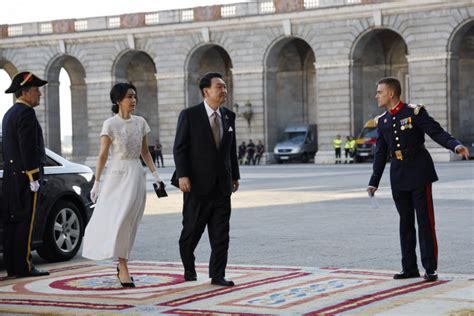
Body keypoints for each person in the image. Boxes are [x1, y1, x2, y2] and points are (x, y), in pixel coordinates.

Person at [367, 77, 470, 282]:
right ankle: (409, 267)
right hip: (398, 174)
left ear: (391, 94)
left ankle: (430, 268)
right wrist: (374, 181)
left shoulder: (414, 112)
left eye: (379, 92)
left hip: (419, 171)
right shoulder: (383, 121)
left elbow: (436, 131)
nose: (376, 95)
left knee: (425, 222)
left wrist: (455, 145)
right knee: (405, 223)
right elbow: (381, 153)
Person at [82, 83, 163, 288]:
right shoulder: (109, 124)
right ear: (118, 100)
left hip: (136, 174)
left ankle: (123, 262)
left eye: (135, 96)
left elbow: (145, 152)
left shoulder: (141, 122)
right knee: (118, 220)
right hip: (116, 176)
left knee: (130, 221)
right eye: (129, 96)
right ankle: (122, 265)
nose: (133, 100)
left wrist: (156, 175)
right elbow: (102, 156)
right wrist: (97, 183)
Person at [173, 72, 240, 286]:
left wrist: (235, 176)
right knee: (191, 231)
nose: (224, 90)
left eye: (225, 86)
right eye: (219, 86)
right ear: (206, 91)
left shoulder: (229, 115)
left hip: (222, 186)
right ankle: (189, 266)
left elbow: (231, 150)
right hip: (196, 185)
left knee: (221, 234)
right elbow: (180, 148)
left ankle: (217, 275)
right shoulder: (189, 115)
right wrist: (183, 175)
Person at [1, 72, 50, 278]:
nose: (39, 94)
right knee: (26, 223)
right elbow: (28, 148)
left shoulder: (10, 113)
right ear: (25, 92)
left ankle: (14, 266)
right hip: (25, 178)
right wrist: (33, 176)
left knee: (13, 222)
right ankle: (25, 266)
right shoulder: (27, 113)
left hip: (11, 178)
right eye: (36, 90)